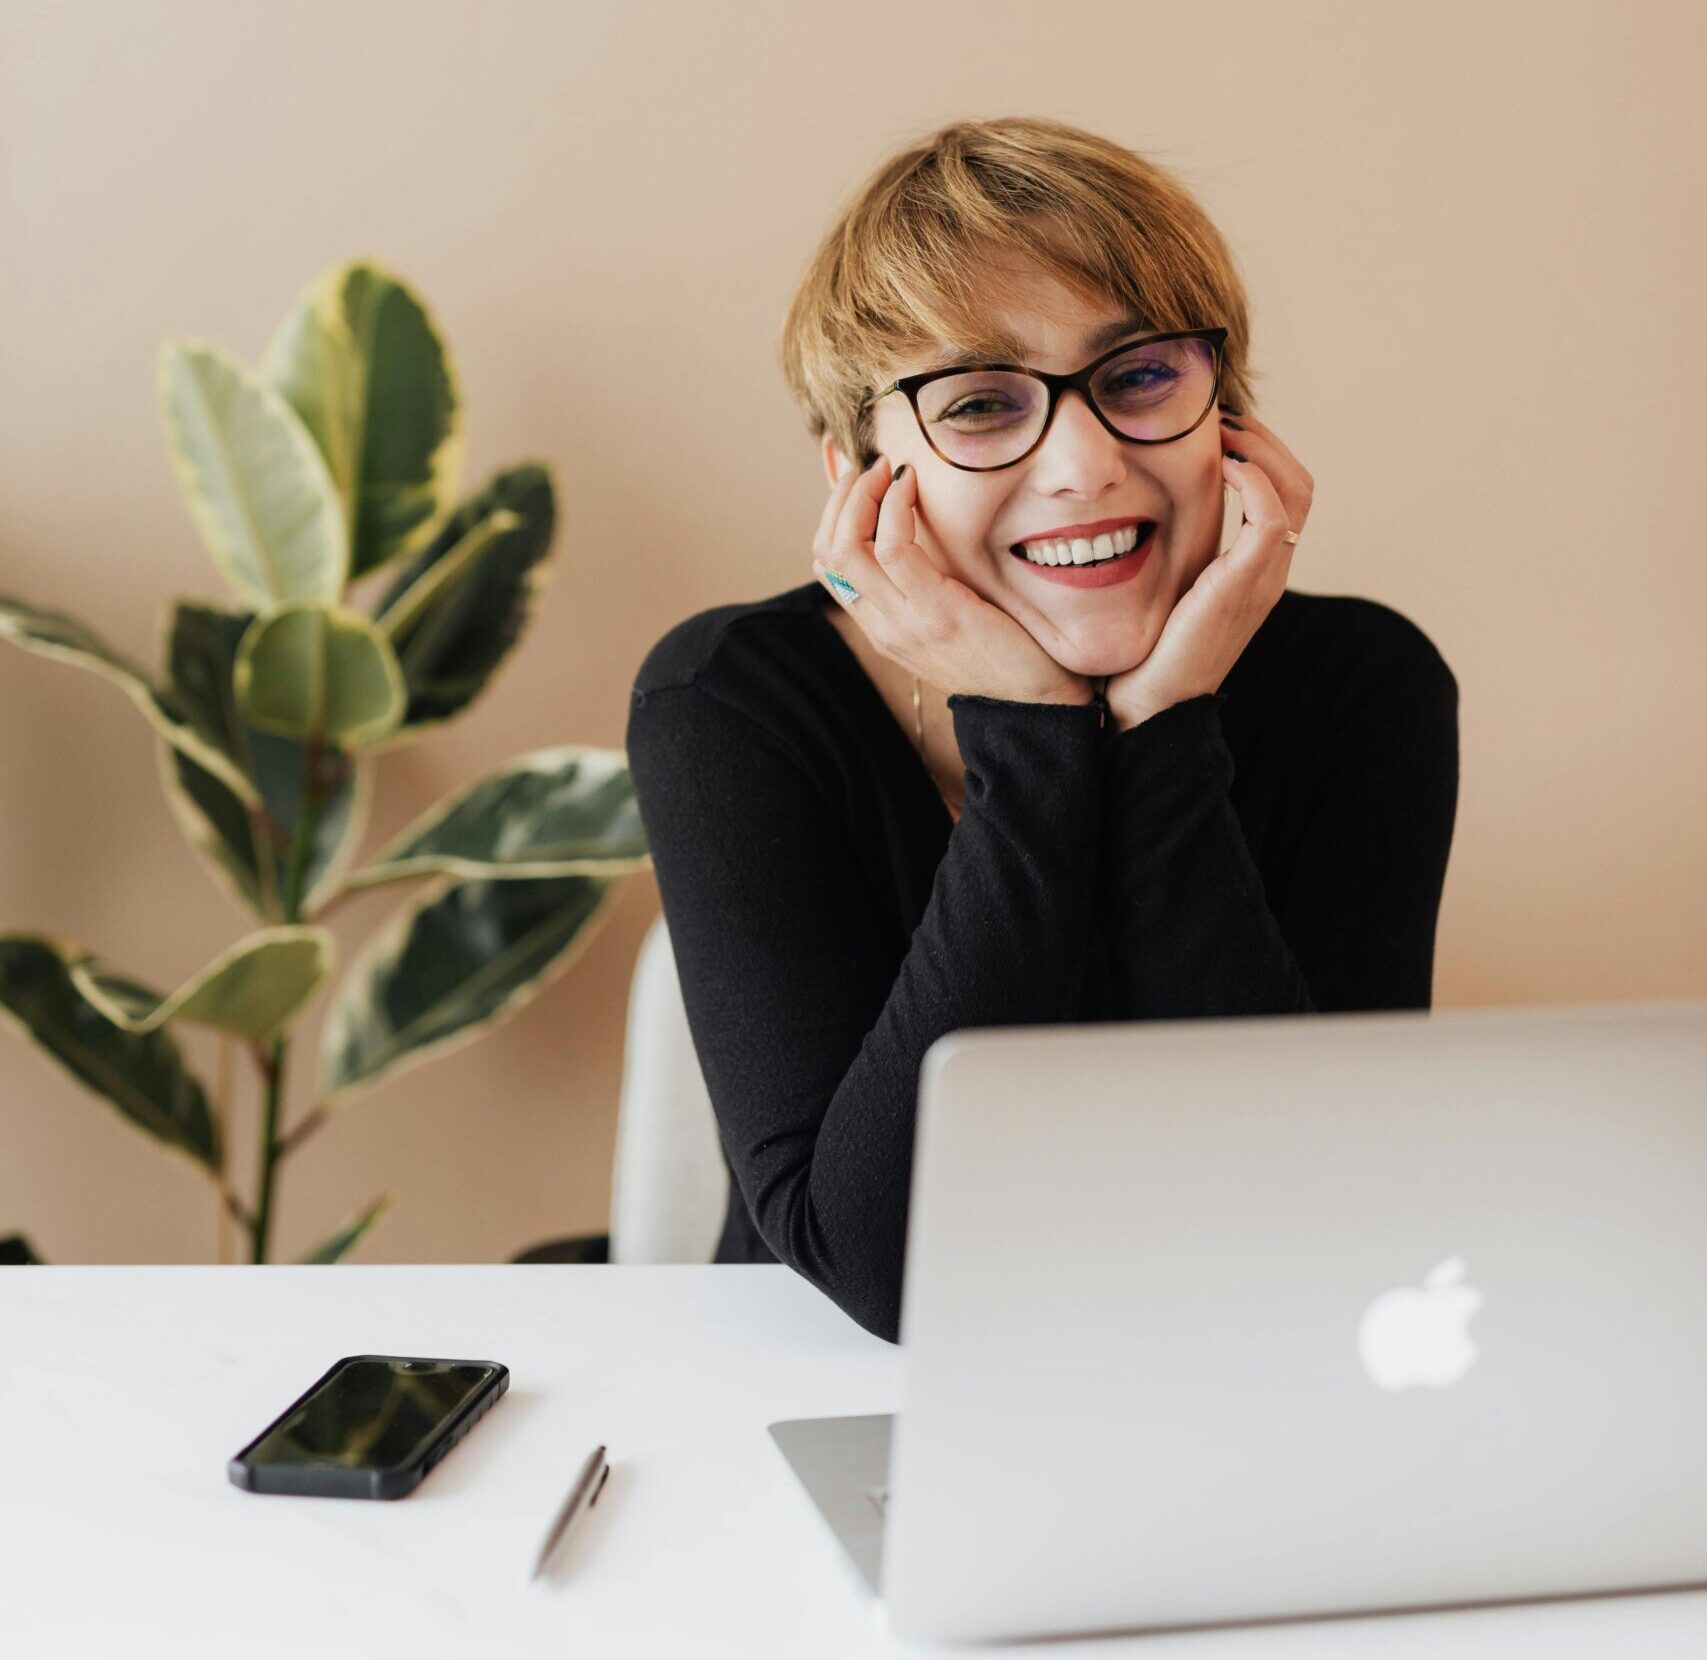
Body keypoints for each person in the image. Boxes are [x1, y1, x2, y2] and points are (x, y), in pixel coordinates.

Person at [625, 116, 1459, 1344]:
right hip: (826, 1395)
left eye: (1137, 378)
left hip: (1231, 1369)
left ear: (1227, 413)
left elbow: (1321, 1211)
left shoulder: (1363, 683)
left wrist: (1164, 729)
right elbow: (886, 1270)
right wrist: (1028, 732)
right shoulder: (731, 701)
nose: (1082, 464)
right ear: (861, 471)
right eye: (977, 404)